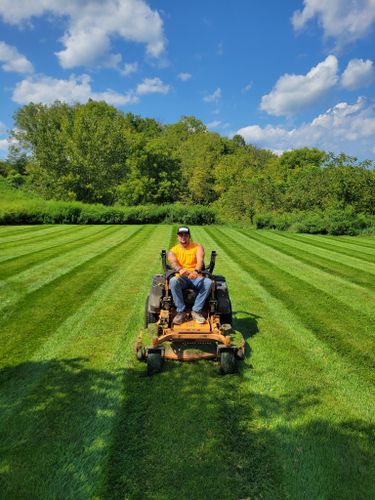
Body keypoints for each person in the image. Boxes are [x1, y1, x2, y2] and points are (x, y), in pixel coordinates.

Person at [168, 226, 213, 325]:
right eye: (181, 235)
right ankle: (181, 311)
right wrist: (180, 269)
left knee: (209, 282)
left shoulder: (197, 247)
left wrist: (196, 271)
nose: (183, 237)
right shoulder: (173, 250)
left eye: (186, 235)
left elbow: (200, 260)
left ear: (189, 236)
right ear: (177, 237)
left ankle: (196, 311)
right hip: (181, 278)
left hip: (196, 276)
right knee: (173, 281)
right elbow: (173, 262)